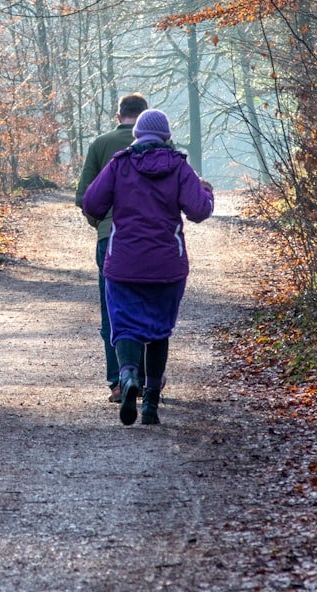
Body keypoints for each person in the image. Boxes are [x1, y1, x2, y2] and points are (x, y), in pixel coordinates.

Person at [81, 108, 214, 425]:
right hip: (166, 265)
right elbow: (198, 210)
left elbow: (92, 203)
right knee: (158, 331)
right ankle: (151, 404)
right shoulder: (180, 167)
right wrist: (206, 191)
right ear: (166, 137)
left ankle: (128, 378)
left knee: (124, 325)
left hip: (124, 262)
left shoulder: (120, 164)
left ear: (138, 135)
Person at [75, 93, 147, 403]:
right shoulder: (160, 146)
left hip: (111, 240)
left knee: (113, 312)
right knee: (147, 309)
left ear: (119, 116)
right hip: (149, 242)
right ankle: (143, 379)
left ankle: (119, 380)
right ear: (144, 117)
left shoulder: (100, 144)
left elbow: (83, 195)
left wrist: (100, 222)